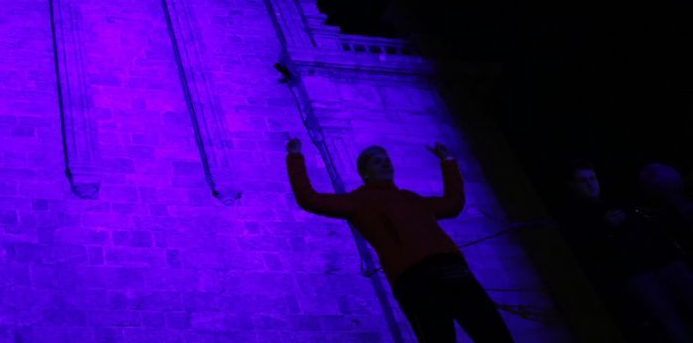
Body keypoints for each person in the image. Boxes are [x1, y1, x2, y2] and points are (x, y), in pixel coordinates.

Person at [286, 137, 513, 342]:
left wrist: (448, 161)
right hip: (414, 278)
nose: (385, 164)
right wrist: (295, 157)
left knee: (493, 333)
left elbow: (453, 204)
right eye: (377, 161)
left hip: (450, 268)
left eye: (386, 160)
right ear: (364, 173)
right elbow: (310, 199)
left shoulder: (413, 199)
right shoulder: (358, 201)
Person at [561, 161, 693, 342]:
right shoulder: (574, 217)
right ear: (572, 186)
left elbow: (651, 224)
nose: (590, 184)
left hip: (664, 262)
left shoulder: (615, 200)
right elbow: (587, 252)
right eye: (583, 181)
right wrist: (605, 228)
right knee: (668, 319)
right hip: (636, 273)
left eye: (592, 178)